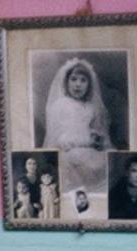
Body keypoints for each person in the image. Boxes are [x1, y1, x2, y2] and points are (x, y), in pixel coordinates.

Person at [43, 57, 112, 193]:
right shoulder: (60, 105)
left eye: (83, 80)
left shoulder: (91, 107)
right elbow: (55, 136)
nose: (78, 85)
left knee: (105, 163)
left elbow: (97, 129)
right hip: (68, 152)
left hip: (90, 151)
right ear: (66, 82)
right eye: (73, 79)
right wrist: (69, 143)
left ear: (89, 84)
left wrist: (97, 138)